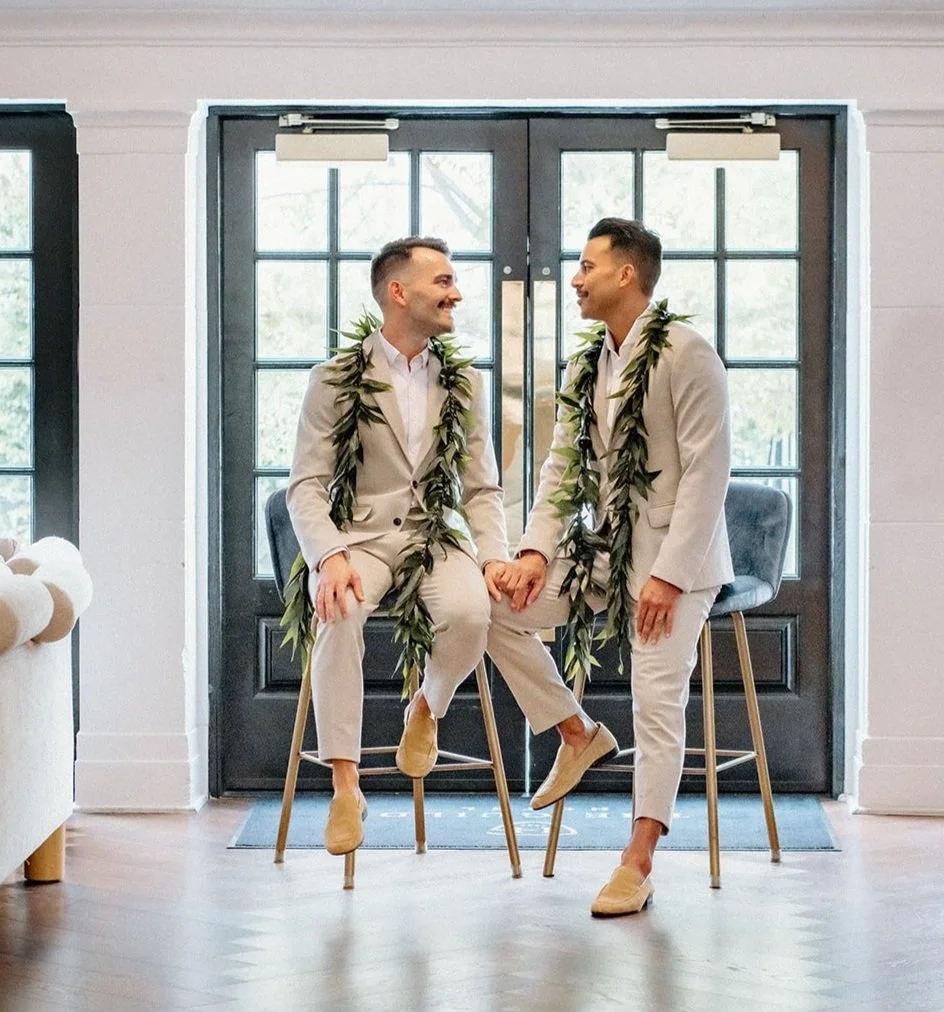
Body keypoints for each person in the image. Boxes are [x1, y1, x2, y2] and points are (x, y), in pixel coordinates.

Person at [285, 236, 612, 858]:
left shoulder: (464, 383)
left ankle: (427, 708)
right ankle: (346, 787)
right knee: (340, 610)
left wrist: (493, 558)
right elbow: (305, 484)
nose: (456, 293)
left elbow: (481, 487)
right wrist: (328, 558)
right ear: (397, 292)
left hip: (435, 536)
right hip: (359, 540)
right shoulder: (333, 379)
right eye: (443, 281)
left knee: (473, 611)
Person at [488, 217, 733, 916]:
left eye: (587, 266)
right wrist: (533, 552)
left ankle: (639, 859)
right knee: (490, 608)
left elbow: (707, 474)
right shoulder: (587, 362)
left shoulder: (688, 353)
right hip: (603, 553)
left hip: (675, 566)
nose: (575, 279)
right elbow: (562, 467)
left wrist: (671, 576)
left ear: (627, 274)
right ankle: (577, 733)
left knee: (655, 700)